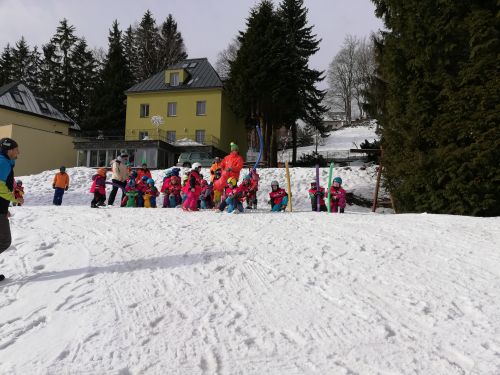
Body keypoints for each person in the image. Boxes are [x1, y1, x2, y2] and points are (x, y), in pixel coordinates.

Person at [0, 138, 22, 280]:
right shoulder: (2, 162)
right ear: (9, 150)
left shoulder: (6, 162)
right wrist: (15, 198)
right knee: (4, 241)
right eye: (16, 149)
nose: (18, 152)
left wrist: (4, 208)